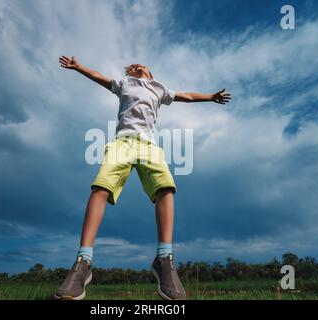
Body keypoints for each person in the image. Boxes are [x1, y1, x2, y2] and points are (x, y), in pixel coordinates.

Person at [55, 56, 231, 300]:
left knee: (166, 188)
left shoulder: (159, 89)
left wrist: (210, 97)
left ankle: (164, 260)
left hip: (148, 145)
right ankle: (83, 262)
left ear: (150, 70)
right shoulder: (124, 83)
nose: (137, 66)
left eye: (141, 65)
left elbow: (187, 96)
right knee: (100, 188)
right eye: (133, 65)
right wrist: (78, 67)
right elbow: (98, 76)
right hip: (122, 142)